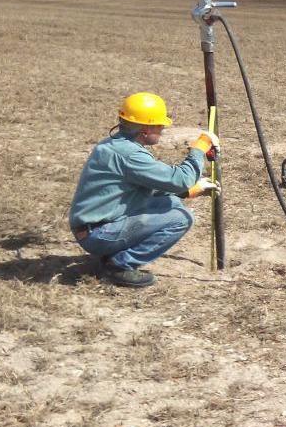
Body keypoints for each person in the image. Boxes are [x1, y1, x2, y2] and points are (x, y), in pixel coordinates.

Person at [69, 92, 220, 288]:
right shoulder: (129, 154)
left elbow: (147, 186)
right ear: (145, 129)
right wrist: (199, 149)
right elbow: (181, 179)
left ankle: (113, 254)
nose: (163, 129)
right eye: (159, 125)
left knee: (171, 203)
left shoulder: (116, 145)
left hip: (96, 226)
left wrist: (188, 192)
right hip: (97, 233)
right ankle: (118, 265)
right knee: (180, 218)